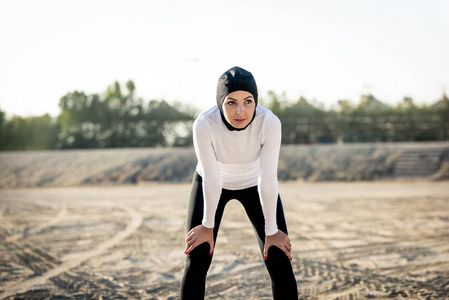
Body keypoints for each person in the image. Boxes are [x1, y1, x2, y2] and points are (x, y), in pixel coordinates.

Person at [181, 66, 298, 299]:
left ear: (256, 101)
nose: (240, 111)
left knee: (278, 255)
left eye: (248, 101)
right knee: (198, 255)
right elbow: (213, 178)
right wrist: (207, 226)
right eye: (231, 102)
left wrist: (272, 231)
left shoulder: (269, 123)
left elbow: (267, 178)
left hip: (255, 184)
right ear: (220, 103)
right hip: (211, 183)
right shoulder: (204, 124)